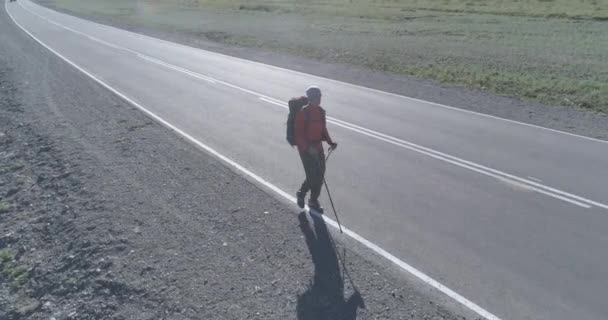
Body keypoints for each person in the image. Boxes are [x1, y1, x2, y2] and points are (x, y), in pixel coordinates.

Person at [294, 86, 337, 212]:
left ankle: (313, 201)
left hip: (318, 147)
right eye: (317, 97)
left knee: (320, 175)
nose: (319, 99)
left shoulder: (321, 111)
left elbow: (323, 129)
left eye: (320, 97)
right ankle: (301, 193)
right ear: (311, 98)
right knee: (312, 175)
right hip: (305, 150)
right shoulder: (303, 113)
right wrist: (307, 148)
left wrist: (330, 142)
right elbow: (298, 135)